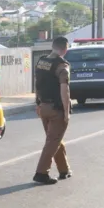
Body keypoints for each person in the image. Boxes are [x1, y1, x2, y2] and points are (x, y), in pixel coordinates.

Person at [33, 36, 72, 185]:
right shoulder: (62, 66)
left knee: (55, 139)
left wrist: (38, 103)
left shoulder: (42, 61)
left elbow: (38, 84)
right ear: (65, 49)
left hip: (43, 107)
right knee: (52, 141)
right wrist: (67, 111)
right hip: (56, 109)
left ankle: (64, 170)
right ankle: (41, 173)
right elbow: (65, 90)